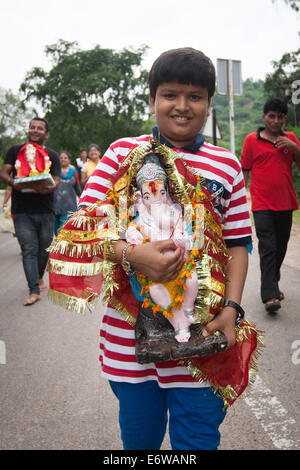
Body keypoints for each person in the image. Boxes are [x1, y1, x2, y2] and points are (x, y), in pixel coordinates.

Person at [47, 48, 261, 450]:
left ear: (210, 104)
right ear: (152, 99)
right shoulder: (120, 155)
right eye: (170, 95)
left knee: (198, 441)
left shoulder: (226, 165)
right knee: (139, 440)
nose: (182, 106)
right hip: (130, 341)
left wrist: (231, 310)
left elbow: (237, 245)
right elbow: (81, 231)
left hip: (203, 336)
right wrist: (132, 255)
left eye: (195, 96)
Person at [241, 98, 300, 313]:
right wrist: (239, 198)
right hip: (262, 204)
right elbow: (245, 170)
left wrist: (295, 147)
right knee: (268, 247)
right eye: (271, 116)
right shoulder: (251, 140)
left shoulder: (291, 139)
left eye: (280, 117)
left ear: (285, 119)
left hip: (286, 202)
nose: (276, 121)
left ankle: (272, 281)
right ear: (263, 117)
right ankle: (270, 296)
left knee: (281, 246)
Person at [0, 117, 61, 306]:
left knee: (44, 250)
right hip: (22, 211)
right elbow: (3, 173)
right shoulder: (15, 151)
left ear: (46, 134)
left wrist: (47, 188)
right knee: (29, 249)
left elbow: (56, 180)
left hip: (45, 210)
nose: (35, 130)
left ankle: (39, 276)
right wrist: (14, 183)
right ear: (28, 130)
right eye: (32, 127)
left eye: (40, 128)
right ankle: (33, 290)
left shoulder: (53, 155)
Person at [53, 151, 82, 235]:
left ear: (69, 160)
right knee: (57, 232)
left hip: (69, 207)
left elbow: (78, 189)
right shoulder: (53, 172)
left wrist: (84, 203)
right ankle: (59, 247)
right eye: (61, 158)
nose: (63, 159)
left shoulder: (74, 172)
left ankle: (63, 247)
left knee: (63, 231)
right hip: (55, 207)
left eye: (65, 158)